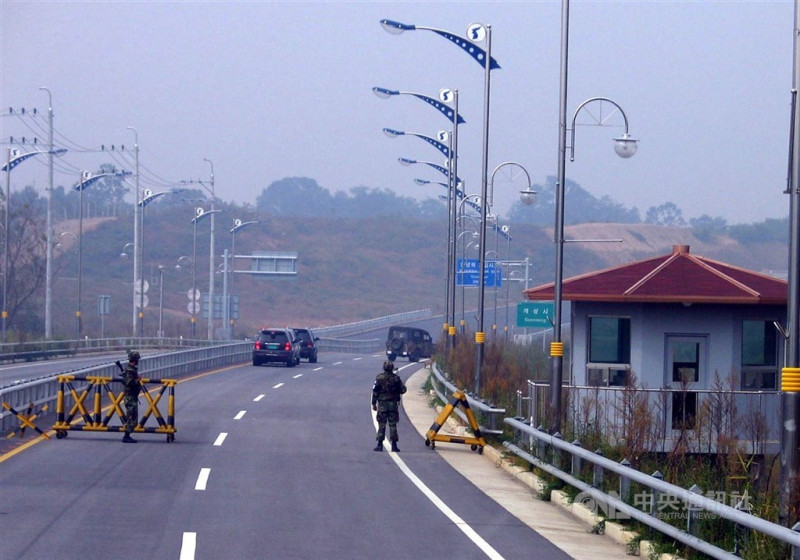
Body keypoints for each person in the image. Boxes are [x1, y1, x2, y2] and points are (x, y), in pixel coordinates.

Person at [372, 360, 406, 452]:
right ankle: (394, 445)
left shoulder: (379, 378)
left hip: (382, 405)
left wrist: (374, 403)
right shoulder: (396, 379)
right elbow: (403, 390)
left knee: (381, 424)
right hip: (393, 405)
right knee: (393, 424)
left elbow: (375, 391)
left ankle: (379, 444)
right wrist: (396, 390)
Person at [121, 350, 142, 443]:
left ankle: (127, 435)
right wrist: (138, 380)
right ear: (135, 360)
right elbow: (129, 383)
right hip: (130, 397)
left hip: (132, 397)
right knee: (131, 418)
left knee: (133, 418)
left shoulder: (131, 370)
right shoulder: (130, 371)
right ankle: (126, 436)